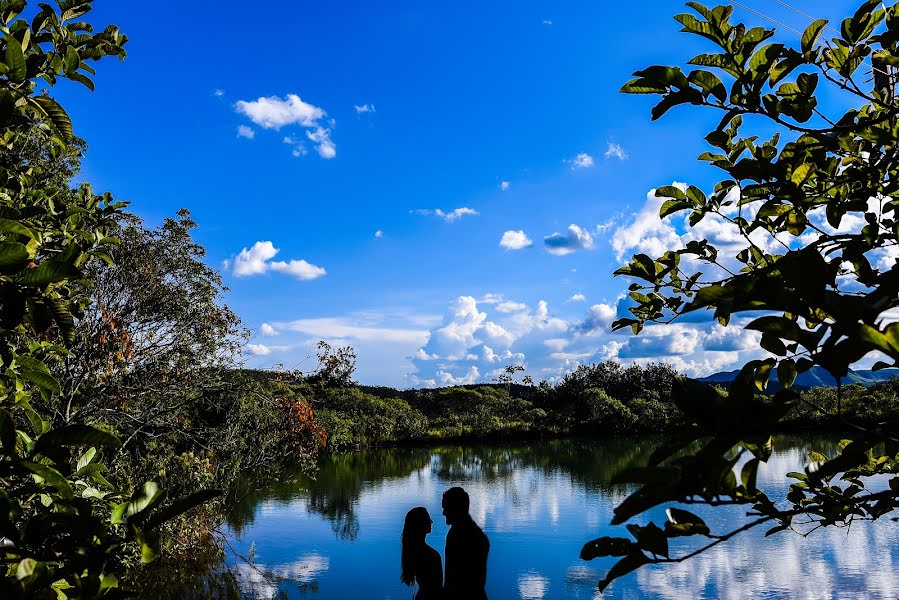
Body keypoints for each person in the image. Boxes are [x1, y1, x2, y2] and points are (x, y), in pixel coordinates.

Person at [442, 487, 489, 600]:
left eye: (445, 508)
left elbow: (452, 577)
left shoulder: (456, 535)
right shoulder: (479, 535)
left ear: (455, 508)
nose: (443, 513)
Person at [401, 507, 444, 600]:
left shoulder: (414, 551)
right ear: (420, 524)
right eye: (428, 519)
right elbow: (436, 588)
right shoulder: (430, 555)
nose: (431, 522)